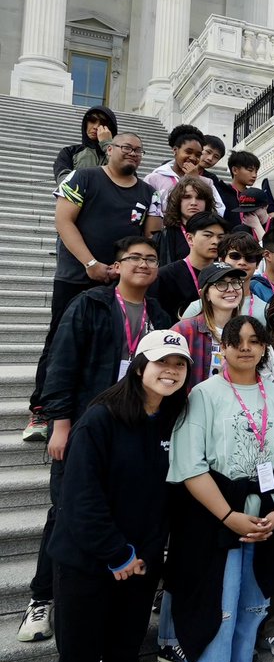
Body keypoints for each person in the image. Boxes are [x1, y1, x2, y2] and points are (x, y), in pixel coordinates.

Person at [19, 235, 173, 644]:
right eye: (134, 258)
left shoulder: (158, 313)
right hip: (88, 424)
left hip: (134, 428)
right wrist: (61, 423)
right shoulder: (90, 304)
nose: (143, 264)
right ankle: (42, 599)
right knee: (66, 508)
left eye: (151, 259)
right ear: (117, 265)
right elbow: (61, 363)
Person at [165, 315, 274, 662]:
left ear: (264, 348)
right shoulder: (203, 394)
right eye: (236, 341)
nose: (245, 347)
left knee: (251, 615)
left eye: (254, 341)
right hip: (217, 522)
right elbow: (190, 466)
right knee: (217, 617)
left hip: (270, 520)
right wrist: (229, 516)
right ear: (223, 347)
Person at [47, 329, 190, 662]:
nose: (170, 370)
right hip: (89, 564)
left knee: (124, 658)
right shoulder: (100, 418)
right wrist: (116, 553)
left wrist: (149, 556)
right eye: (161, 362)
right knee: (78, 661)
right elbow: (80, 498)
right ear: (140, 367)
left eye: (179, 364)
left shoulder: (176, 420)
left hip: (140, 564)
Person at [26, 134, 159, 443]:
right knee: (60, 343)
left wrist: (124, 268)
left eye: (139, 151)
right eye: (126, 148)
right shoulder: (83, 177)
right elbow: (64, 221)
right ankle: (43, 409)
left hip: (120, 282)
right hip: (76, 276)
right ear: (108, 150)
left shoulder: (149, 192)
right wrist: (91, 263)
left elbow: (149, 237)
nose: (133, 154)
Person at [176, 262, 247, 383]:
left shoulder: (247, 331)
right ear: (205, 294)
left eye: (235, 282)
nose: (231, 289)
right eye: (221, 284)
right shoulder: (184, 330)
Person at [151, 211, 228, 321]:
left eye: (220, 237)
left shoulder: (227, 274)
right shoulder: (165, 276)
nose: (215, 242)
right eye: (208, 235)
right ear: (190, 238)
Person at [147, 124, 219, 215]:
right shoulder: (154, 179)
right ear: (175, 150)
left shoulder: (207, 183)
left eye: (198, 155)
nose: (193, 158)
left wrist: (195, 181)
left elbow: (217, 212)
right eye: (188, 152)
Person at [156, 175, 217, 265]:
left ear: (206, 203)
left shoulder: (217, 234)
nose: (193, 203)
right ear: (177, 201)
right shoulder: (165, 235)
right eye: (187, 197)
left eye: (199, 198)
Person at [52, 105, 116, 183]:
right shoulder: (69, 152)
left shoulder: (121, 153)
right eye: (92, 120)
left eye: (103, 123)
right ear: (86, 123)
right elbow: (64, 182)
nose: (96, 127)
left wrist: (107, 144)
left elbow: (124, 174)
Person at [197, 135, 241, 231]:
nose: (210, 158)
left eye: (216, 157)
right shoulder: (173, 170)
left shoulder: (212, 179)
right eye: (208, 152)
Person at [226, 150, 268, 239]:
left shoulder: (255, 196)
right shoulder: (222, 193)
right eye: (250, 170)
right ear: (234, 170)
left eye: (256, 171)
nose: (254, 175)